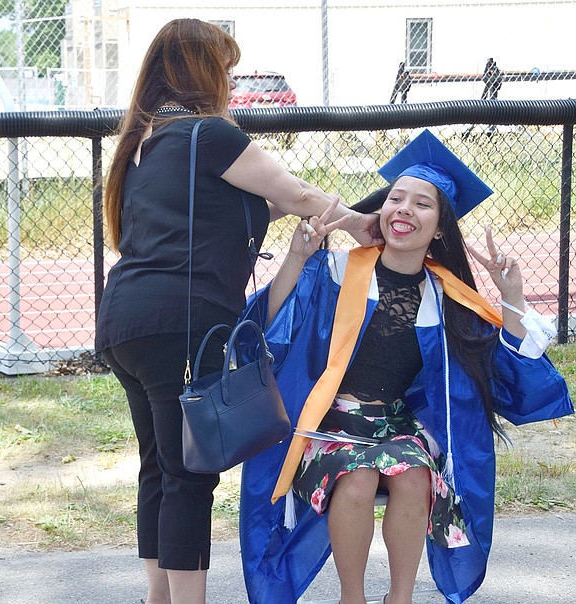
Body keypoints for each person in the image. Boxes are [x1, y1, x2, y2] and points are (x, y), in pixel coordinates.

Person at [94, 18, 383, 604]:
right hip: (178, 322)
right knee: (188, 476)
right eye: (225, 68)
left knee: (162, 466)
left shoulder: (154, 144)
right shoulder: (212, 135)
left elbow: (260, 211)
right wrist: (360, 223)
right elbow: (296, 195)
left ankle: (160, 597)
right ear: (200, 73)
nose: (230, 80)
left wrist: (320, 220)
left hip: (128, 322)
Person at [238, 129, 573, 604]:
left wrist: (512, 297)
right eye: (396, 198)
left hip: (397, 426)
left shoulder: (449, 300)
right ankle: (351, 597)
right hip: (325, 425)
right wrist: (296, 257)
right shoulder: (334, 272)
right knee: (356, 480)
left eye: (422, 204)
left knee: (415, 477)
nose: (404, 210)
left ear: (439, 227)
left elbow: (507, 374)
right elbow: (268, 329)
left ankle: (401, 598)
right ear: (382, 210)